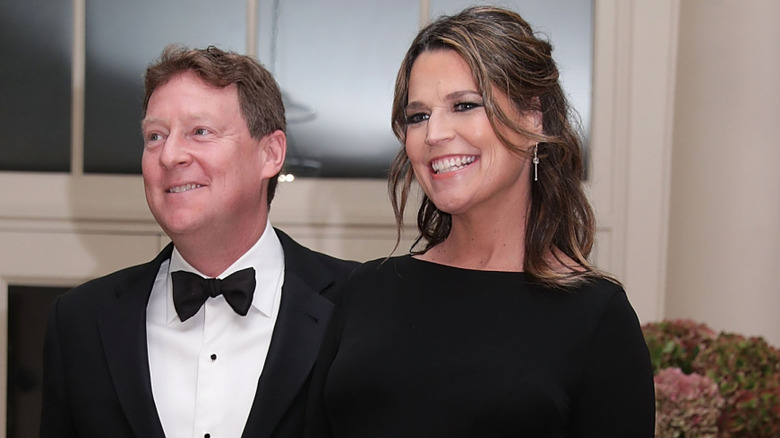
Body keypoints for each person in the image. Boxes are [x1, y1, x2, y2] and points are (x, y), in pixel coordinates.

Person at [305, 6, 655, 437]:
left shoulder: (596, 315)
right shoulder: (367, 291)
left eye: (464, 105)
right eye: (418, 116)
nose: (434, 134)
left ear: (532, 119)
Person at [39, 45, 357, 438]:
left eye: (200, 132)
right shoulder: (78, 323)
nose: (169, 155)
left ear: (270, 153)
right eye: (155, 136)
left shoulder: (359, 306)